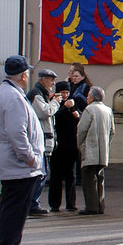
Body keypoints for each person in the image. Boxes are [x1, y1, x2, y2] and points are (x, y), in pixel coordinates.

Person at [0, 55, 44, 245]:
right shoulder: (13, 97)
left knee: (12, 208)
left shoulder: (7, 93)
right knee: (15, 209)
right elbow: (17, 132)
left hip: (14, 164)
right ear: (23, 75)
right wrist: (31, 158)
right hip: (19, 165)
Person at [76, 86, 114, 214]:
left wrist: (80, 144)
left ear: (92, 97)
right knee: (100, 177)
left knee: (88, 178)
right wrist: (107, 144)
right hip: (103, 150)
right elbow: (112, 131)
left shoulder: (89, 109)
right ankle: (100, 205)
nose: (87, 98)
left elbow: (82, 130)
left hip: (91, 148)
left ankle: (91, 207)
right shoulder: (108, 110)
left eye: (88, 96)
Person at [26, 68, 59, 216]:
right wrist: (55, 103)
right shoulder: (37, 94)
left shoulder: (41, 94)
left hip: (43, 141)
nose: (52, 83)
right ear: (43, 80)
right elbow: (44, 112)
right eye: (51, 80)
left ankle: (33, 202)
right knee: (41, 174)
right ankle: (32, 204)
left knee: (42, 174)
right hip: (39, 142)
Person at [49, 80, 82, 212]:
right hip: (57, 145)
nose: (65, 95)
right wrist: (64, 108)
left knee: (71, 175)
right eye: (62, 92)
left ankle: (71, 203)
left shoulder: (73, 103)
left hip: (71, 145)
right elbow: (54, 118)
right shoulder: (54, 103)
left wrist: (76, 114)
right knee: (56, 176)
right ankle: (54, 204)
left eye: (67, 92)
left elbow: (80, 118)